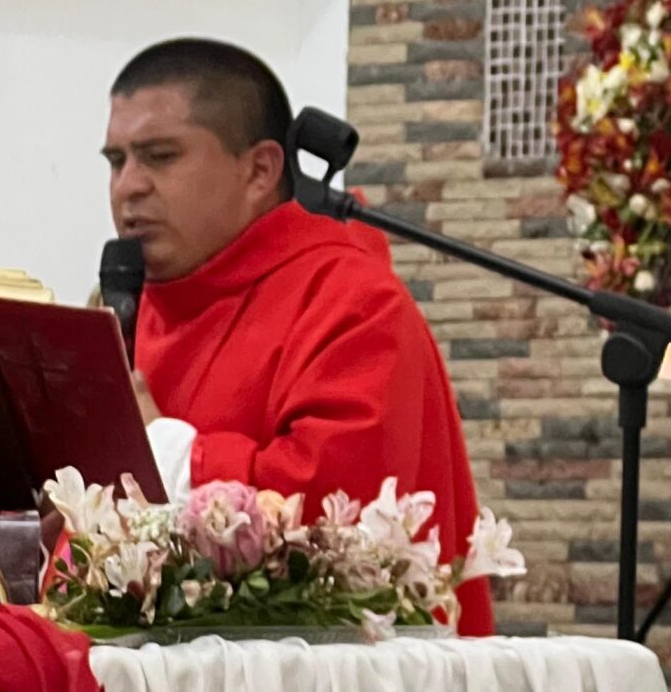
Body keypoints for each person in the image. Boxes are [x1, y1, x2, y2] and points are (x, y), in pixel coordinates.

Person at [104, 37, 495, 634]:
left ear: (260, 170)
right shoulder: (130, 308)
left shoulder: (354, 305)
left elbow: (333, 525)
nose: (128, 186)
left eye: (159, 157)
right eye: (116, 161)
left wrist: (163, 451)